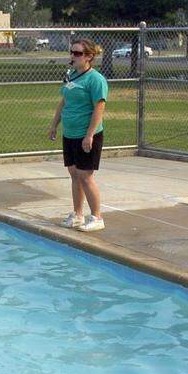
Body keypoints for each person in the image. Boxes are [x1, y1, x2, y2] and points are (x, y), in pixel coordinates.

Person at [47, 39, 108, 232]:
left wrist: (89, 135)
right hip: (70, 133)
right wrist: (54, 125)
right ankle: (78, 214)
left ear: (89, 57)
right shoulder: (71, 76)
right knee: (74, 174)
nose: (72, 56)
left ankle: (97, 217)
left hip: (86, 135)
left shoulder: (95, 79)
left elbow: (99, 108)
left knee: (85, 176)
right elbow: (64, 101)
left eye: (78, 53)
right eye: (72, 52)